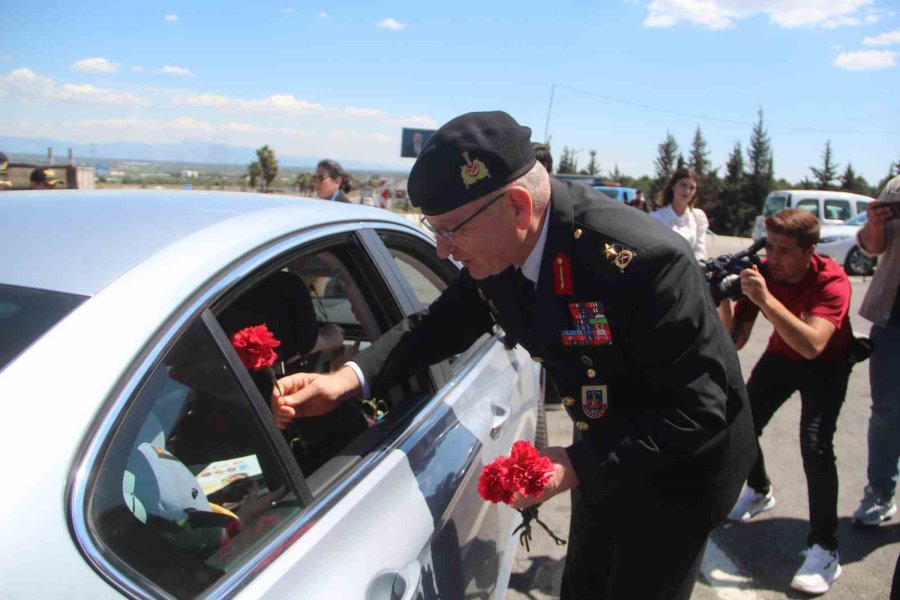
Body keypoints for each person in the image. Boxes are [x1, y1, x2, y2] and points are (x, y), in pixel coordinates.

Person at [271, 111, 756, 600]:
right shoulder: (500, 246)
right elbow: (439, 325)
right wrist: (346, 379)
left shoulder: (642, 262)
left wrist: (574, 463)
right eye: (433, 231)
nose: (442, 251)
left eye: (451, 232)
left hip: (678, 475)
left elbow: (699, 408)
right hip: (602, 451)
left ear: (519, 209)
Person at [719, 208, 854, 595]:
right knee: (740, 421)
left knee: (815, 445)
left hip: (827, 362)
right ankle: (759, 489)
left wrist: (764, 299)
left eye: (784, 251)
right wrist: (726, 295)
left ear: (810, 250)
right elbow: (735, 341)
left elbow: (813, 344)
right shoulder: (764, 272)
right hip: (782, 355)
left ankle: (825, 549)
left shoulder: (833, 280)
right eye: (770, 246)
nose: (773, 258)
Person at [852, 174, 900, 528]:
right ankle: (879, 493)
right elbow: (873, 247)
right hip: (893, 318)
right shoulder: (896, 185)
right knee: (886, 413)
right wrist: (873, 223)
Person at [650, 168, 708, 261]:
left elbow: (699, 252)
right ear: (673, 186)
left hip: (688, 271)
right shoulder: (655, 217)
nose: (687, 191)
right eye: (683, 185)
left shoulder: (698, 217)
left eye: (692, 188)